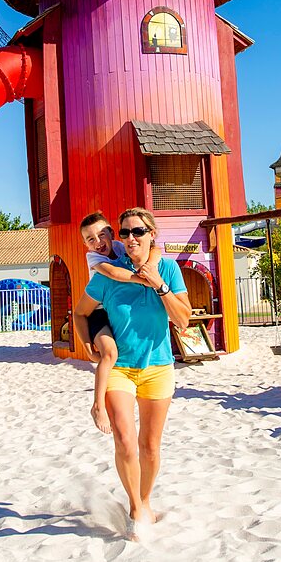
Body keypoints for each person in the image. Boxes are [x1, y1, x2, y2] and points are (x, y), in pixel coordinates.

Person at [72, 208, 191, 540]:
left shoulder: (167, 268)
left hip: (157, 367)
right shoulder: (107, 274)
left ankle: (147, 498)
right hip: (120, 370)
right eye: (124, 233)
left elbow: (183, 320)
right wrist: (88, 345)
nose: (130, 238)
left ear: (152, 234)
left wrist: (159, 285)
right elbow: (81, 314)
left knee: (150, 446)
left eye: (137, 231)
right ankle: (135, 507)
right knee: (125, 442)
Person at [78, 211, 162, 436]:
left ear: (113, 234)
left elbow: (156, 249)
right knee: (110, 354)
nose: (98, 242)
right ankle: (97, 406)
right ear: (85, 244)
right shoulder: (94, 259)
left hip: (115, 311)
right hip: (98, 313)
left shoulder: (121, 244)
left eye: (101, 235)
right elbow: (113, 272)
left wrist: (151, 265)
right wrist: (140, 278)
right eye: (90, 239)